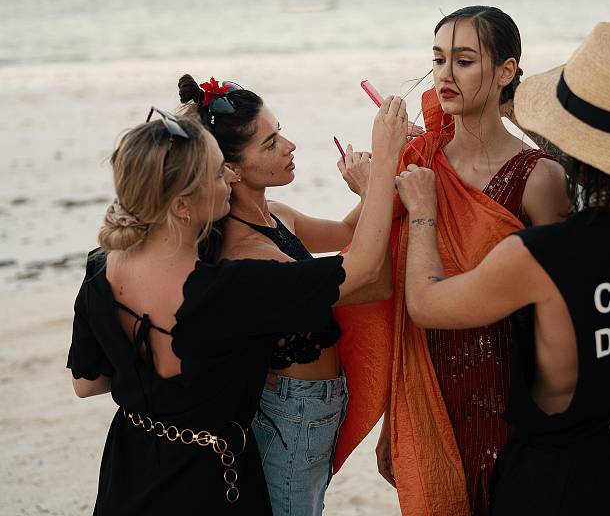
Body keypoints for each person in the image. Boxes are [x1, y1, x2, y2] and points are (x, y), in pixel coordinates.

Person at [395, 21, 610, 516]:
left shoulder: (546, 255)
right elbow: (604, 161)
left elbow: (426, 304)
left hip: (566, 476)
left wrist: (422, 211)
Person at [67, 97, 408, 515]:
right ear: (181, 205)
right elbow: (367, 273)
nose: (229, 178)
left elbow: (88, 383)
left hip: (129, 466)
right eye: (217, 173)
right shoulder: (232, 288)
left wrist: (155, 381)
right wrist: (388, 154)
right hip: (207, 479)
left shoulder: (99, 269)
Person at [365, 6, 569, 516]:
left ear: (505, 71)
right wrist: (396, 415)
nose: (445, 75)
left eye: (464, 60)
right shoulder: (421, 164)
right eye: (438, 60)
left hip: (512, 395)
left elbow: (563, 309)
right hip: (428, 387)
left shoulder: (538, 177)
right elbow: (375, 271)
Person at [176, 74, 391, 515]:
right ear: (230, 169)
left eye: (281, 130)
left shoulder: (277, 216)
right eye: (270, 142)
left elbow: (350, 232)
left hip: (311, 407)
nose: (290, 145)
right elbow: (372, 280)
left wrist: (394, 166)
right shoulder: (248, 253)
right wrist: (379, 177)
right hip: (292, 413)